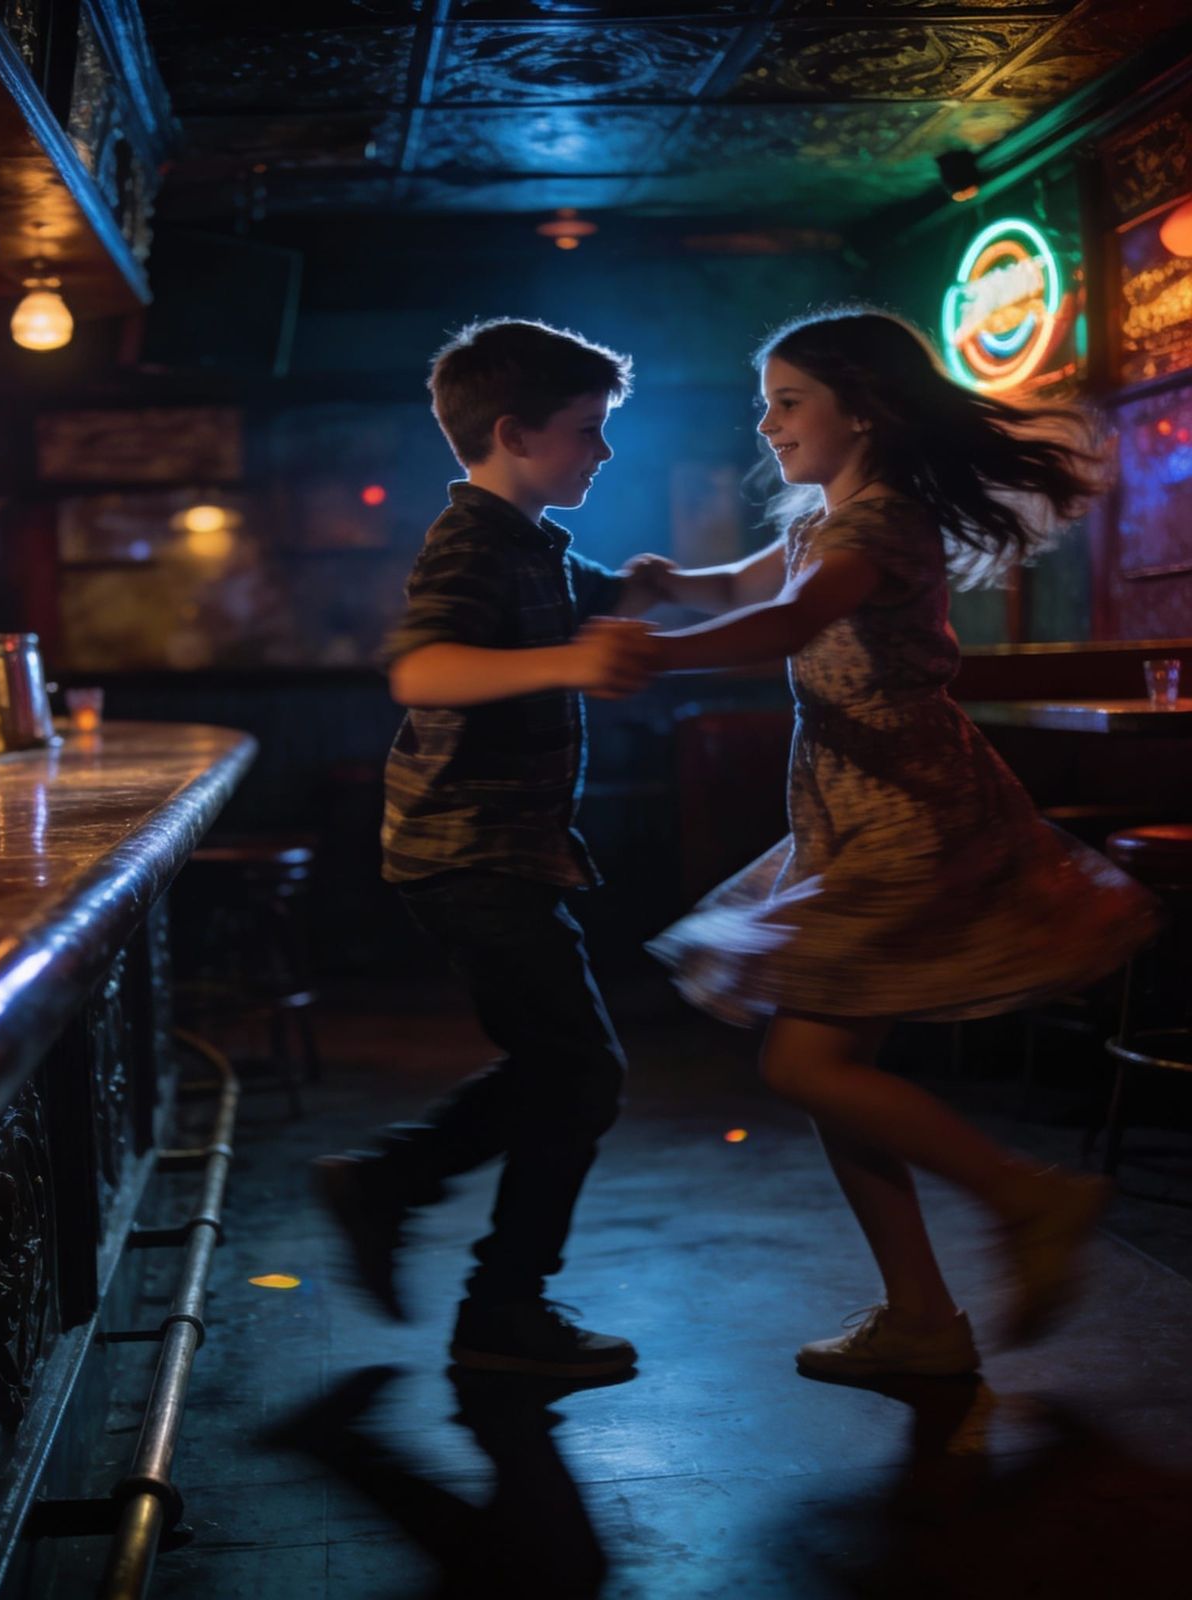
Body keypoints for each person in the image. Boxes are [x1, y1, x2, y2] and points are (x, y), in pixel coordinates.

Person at [643, 306, 1160, 1379]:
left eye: (789, 402)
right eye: (765, 404)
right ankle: (922, 1316)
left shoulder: (876, 527)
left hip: (907, 816)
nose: (766, 425)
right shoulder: (822, 524)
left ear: (864, 410)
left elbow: (788, 622)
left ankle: (1028, 1198)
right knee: (833, 1071)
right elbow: (740, 589)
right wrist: (657, 585)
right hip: (850, 817)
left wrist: (649, 654)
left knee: (806, 1060)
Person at [314, 317, 669, 1378]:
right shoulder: (470, 542)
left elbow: (596, 602)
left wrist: (655, 587)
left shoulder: (527, 543)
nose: (603, 450)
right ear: (514, 434)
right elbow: (422, 671)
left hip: (491, 850)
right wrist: (570, 664)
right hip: (469, 850)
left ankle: (395, 1193)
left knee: (563, 1069)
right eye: (586, 430)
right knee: (578, 1071)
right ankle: (495, 1303)